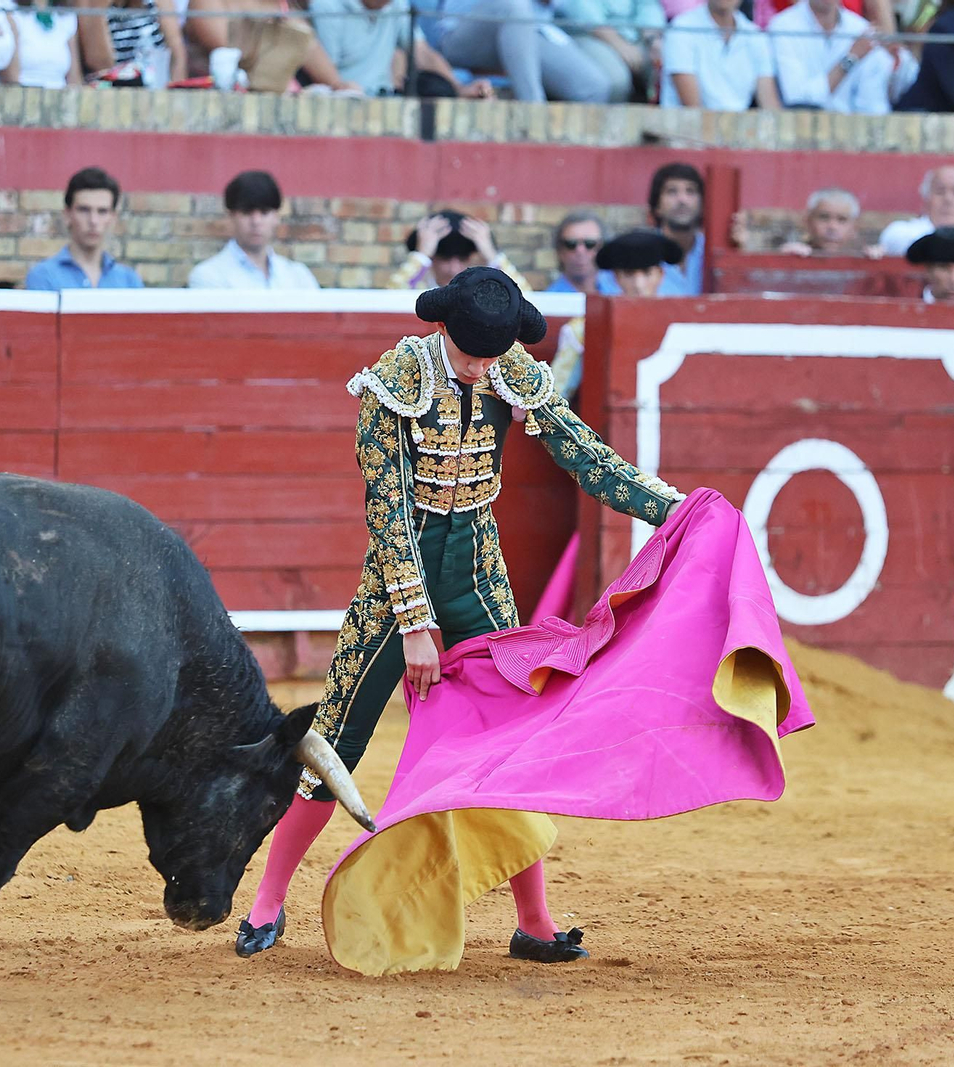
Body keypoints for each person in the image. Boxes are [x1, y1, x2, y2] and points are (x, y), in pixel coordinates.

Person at [233, 266, 688, 961]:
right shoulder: (395, 380)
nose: (481, 369)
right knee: (336, 737)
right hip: (398, 578)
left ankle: (533, 922)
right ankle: (267, 902)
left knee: (507, 745)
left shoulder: (511, 368)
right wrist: (416, 625)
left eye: (492, 355)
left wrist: (675, 510)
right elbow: (388, 512)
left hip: (478, 569)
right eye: (470, 354)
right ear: (442, 327)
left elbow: (586, 457)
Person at [551, 228, 681, 400]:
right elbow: (556, 395)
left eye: (647, 273)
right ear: (617, 277)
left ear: (660, 275)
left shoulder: (681, 324)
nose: (638, 284)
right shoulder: (582, 330)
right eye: (629, 274)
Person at [427, 0, 611, 103]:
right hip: (464, 32)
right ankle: (533, 113)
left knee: (593, 87)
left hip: (532, 30)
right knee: (514, 5)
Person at [308, 0, 495, 97]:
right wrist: (343, 90)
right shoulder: (327, 5)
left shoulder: (397, 4)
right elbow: (325, 72)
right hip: (341, 104)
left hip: (384, 102)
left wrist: (459, 89)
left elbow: (422, 53)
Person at [187, 171, 321, 289]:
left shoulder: (298, 276)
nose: (256, 222)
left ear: (276, 217)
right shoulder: (209, 275)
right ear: (231, 216)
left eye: (264, 212)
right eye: (246, 212)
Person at [769, 0, 901, 113]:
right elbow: (799, 101)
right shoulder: (782, 26)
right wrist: (850, 59)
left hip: (853, 131)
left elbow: (873, 108)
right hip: (800, 129)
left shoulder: (861, 30)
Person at [24, 167, 144, 290]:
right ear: (67, 215)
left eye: (102, 211)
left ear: (113, 217)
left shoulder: (129, 281)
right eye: (84, 210)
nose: (93, 221)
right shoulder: (43, 276)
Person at [661, 0, 780, 110]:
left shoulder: (755, 36)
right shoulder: (681, 28)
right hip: (688, 124)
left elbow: (769, 102)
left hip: (738, 123)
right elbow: (693, 108)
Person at [389, 210, 531, 290]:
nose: (453, 270)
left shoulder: (484, 288)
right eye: (444, 258)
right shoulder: (417, 283)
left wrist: (492, 256)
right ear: (430, 258)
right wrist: (422, 255)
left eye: (463, 259)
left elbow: (527, 303)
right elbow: (391, 298)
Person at [648, 162, 706, 296]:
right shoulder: (640, 255)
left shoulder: (714, 252)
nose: (682, 199)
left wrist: (735, 254)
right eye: (672, 191)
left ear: (703, 205)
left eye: (690, 191)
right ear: (657, 206)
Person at [1, 0, 80, 87]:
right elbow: (11, 79)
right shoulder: (10, 9)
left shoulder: (66, 14)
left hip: (60, 93)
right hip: (22, 92)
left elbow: (74, 80)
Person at [779, 187, 874, 256]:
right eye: (824, 217)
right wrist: (785, 261)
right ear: (808, 222)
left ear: (855, 226)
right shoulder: (795, 254)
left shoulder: (865, 259)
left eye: (842, 219)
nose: (832, 227)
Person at [547, 212, 622, 295]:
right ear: (560, 251)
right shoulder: (551, 299)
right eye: (571, 244)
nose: (580, 251)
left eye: (590, 243)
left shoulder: (622, 286)